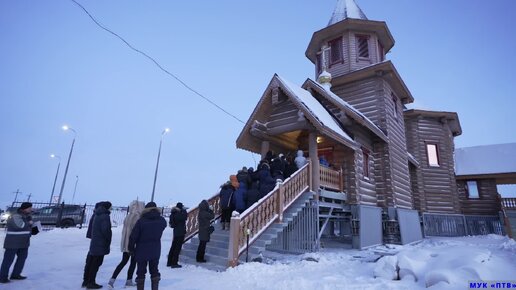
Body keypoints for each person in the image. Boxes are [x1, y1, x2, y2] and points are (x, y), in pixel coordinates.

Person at [128, 202, 166, 290]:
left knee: (141, 272)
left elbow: (133, 237)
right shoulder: (161, 220)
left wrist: (131, 249)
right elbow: (164, 226)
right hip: (155, 249)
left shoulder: (141, 221)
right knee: (154, 271)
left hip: (141, 250)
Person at [108, 200, 144, 288]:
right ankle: (129, 280)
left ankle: (112, 280)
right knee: (133, 262)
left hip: (126, 243)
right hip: (134, 244)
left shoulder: (128, 216)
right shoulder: (138, 218)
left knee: (123, 262)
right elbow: (137, 233)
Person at [0, 202, 36, 283]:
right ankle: (2, 277)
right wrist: (29, 222)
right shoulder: (16, 215)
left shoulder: (27, 216)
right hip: (13, 242)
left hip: (24, 242)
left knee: (21, 259)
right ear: (24, 208)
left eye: (31, 208)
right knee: (8, 260)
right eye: (29, 208)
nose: (31, 209)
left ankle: (16, 274)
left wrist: (34, 229)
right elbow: (20, 226)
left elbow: (27, 228)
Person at [85, 201, 112, 289]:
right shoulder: (105, 216)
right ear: (107, 207)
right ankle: (91, 282)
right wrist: (108, 239)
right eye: (110, 207)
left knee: (92, 262)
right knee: (96, 263)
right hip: (100, 243)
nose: (111, 209)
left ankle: (87, 281)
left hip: (95, 243)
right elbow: (106, 231)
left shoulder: (97, 214)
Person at [167, 202, 187, 268]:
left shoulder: (173, 213)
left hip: (176, 232)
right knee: (177, 248)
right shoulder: (179, 214)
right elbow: (184, 217)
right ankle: (174, 263)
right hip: (180, 232)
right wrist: (184, 210)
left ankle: (169, 261)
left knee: (173, 247)